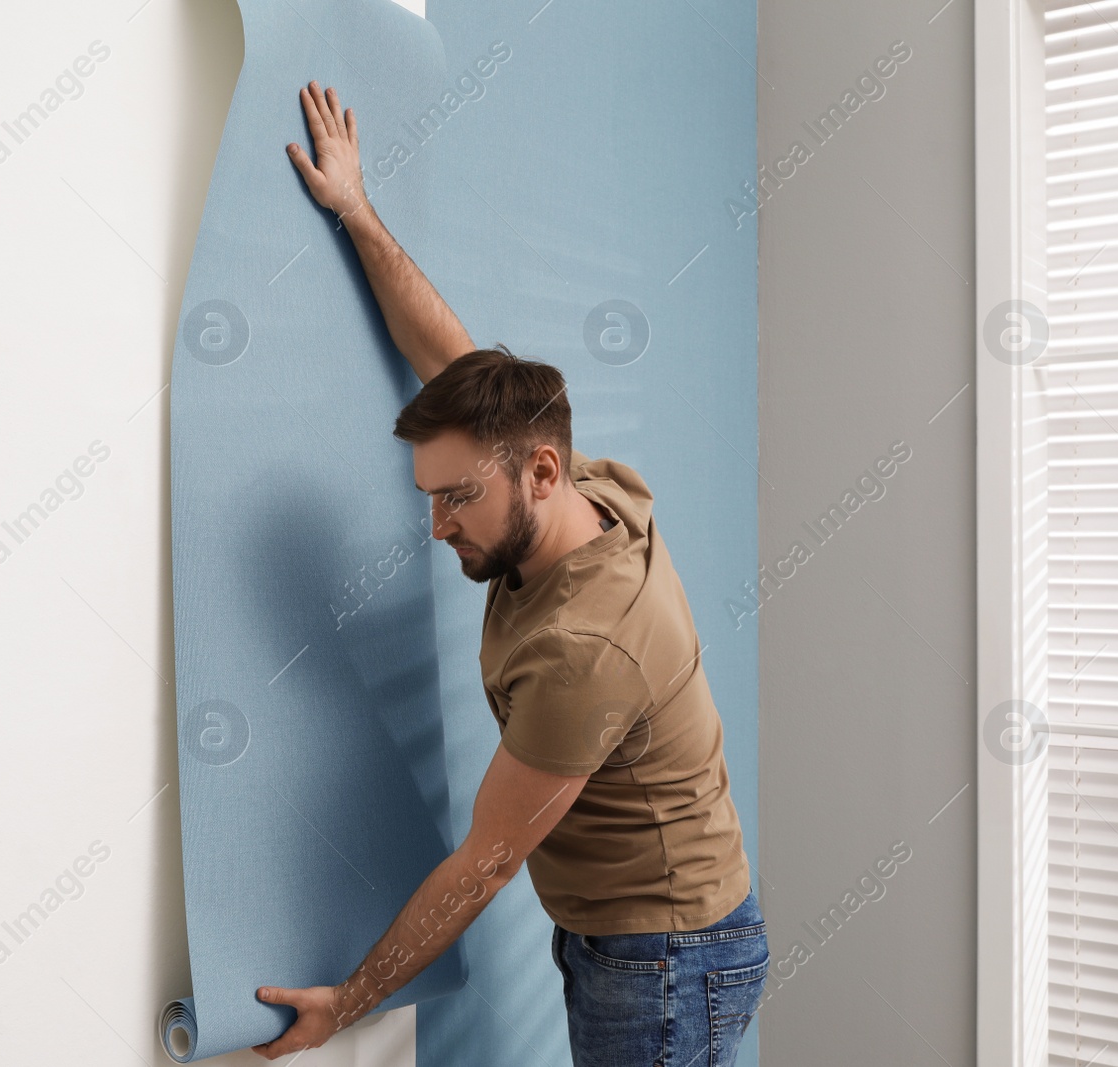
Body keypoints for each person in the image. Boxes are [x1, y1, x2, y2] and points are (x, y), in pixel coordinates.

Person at [252, 81, 766, 1067]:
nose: (437, 525)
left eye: (456, 498)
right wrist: (356, 209)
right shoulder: (571, 487)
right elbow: (441, 350)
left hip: (665, 956)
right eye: (429, 495)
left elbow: (486, 860)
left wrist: (349, 999)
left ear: (534, 471)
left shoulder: (586, 648)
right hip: (640, 934)